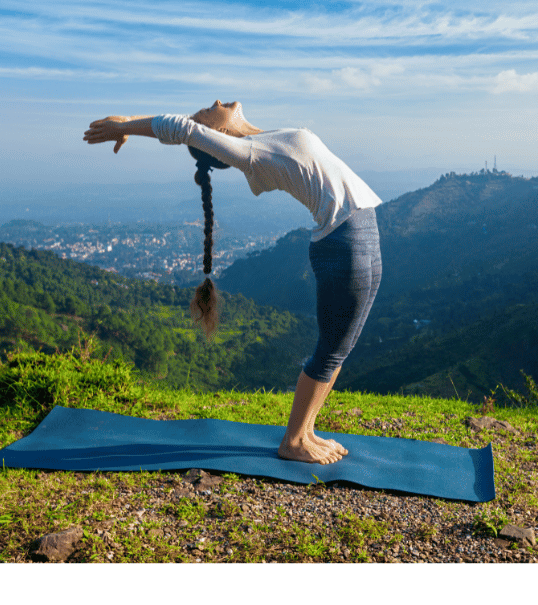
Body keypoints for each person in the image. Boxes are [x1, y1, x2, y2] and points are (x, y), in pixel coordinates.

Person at [83, 101, 382, 465]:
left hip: (360, 232)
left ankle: (306, 431)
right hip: (343, 241)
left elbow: (191, 127)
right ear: (218, 135)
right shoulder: (251, 153)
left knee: (341, 346)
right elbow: (183, 129)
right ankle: (293, 440)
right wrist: (126, 123)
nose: (215, 104)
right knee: (331, 349)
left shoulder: (263, 139)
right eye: (207, 111)